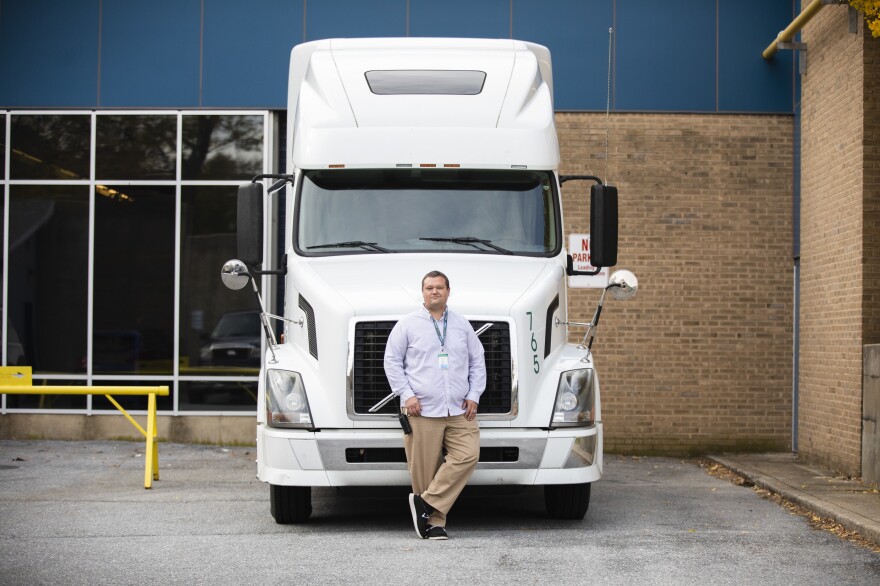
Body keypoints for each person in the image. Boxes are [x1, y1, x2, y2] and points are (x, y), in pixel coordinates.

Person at [383, 270, 486, 540]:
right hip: (422, 410)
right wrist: (407, 395)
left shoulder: (462, 325)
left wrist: (474, 394)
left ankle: (425, 504)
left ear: (448, 291)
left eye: (439, 287)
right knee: (424, 468)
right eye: (429, 288)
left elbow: (477, 361)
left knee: (468, 455)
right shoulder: (407, 325)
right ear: (423, 292)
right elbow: (392, 361)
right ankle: (434, 523)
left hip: (459, 410)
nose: (434, 292)